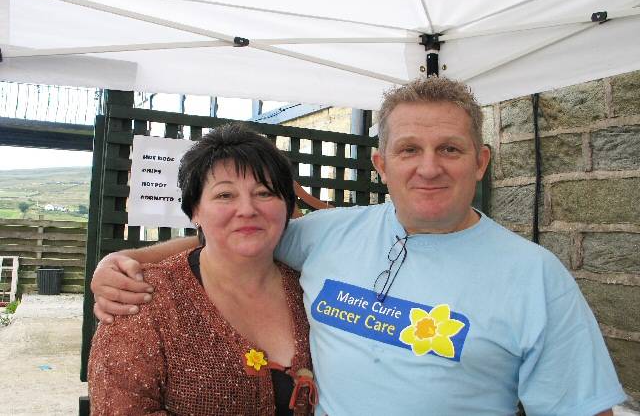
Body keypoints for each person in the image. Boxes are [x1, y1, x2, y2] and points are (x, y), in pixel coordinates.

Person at [92, 77, 626, 415]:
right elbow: (239, 234)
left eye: (450, 148)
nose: (429, 166)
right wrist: (124, 262)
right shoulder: (332, 233)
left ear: (481, 161)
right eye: (409, 148)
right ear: (382, 165)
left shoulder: (535, 275)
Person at [88, 125, 316, 415]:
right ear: (194, 209)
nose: (247, 209)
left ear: (287, 207)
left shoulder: (310, 286)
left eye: (264, 193)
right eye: (225, 195)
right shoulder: (144, 299)